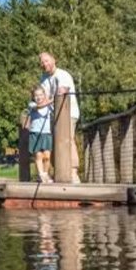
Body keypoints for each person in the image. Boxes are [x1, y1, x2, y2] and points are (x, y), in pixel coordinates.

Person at [39, 52, 81, 183]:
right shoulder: (44, 78)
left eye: (46, 61)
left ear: (54, 60)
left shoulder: (63, 75)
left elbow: (61, 92)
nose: (44, 64)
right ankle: (58, 172)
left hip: (68, 113)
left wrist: (44, 103)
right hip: (52, 115)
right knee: (53, 143)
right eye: (42, 62)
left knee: (68, 140)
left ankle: (73, 172)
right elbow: (42, 96)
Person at [28, 86, 53, 183]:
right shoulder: (32, 104)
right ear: (33, 97)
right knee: (38, 155)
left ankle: (45, 174)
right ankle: (41, 174)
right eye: (36, 95)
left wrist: (51, 101)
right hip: (35, 132)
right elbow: (39, 107)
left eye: (41, 95)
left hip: (46, 133)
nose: (38, 97)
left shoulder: (49, 106)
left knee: (47, 156)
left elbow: (53, 108)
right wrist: (49, 101)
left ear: (44, 95)